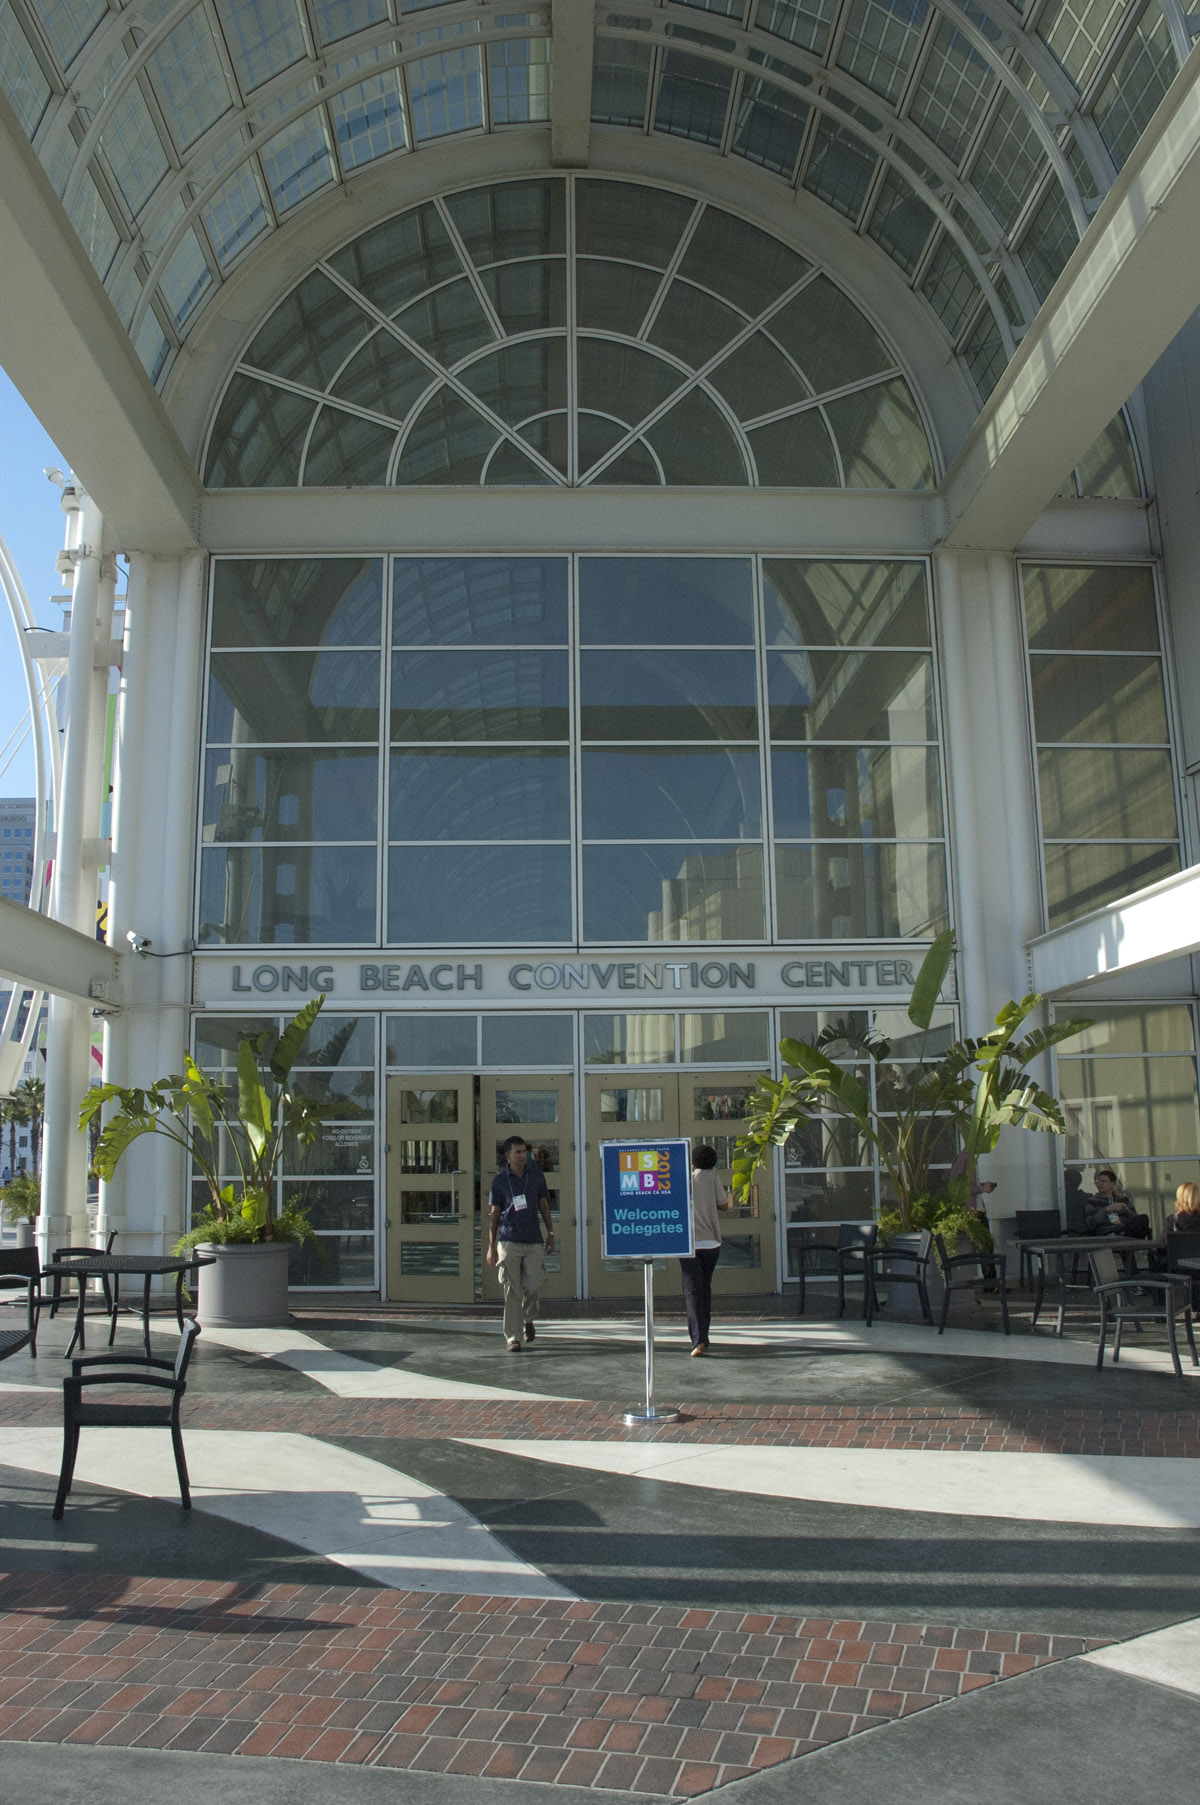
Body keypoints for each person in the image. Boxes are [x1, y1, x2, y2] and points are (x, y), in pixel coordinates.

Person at [486, 1135, 554, 1352]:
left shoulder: (536, 1176)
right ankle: (512, 1337)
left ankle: (528, 1318)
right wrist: (491, 1246)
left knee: (533, 1286)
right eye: (518, 1152)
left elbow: (543, 1205)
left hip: (533, 1240)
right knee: (512, 1290)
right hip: (508, 1241)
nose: (522, 1155)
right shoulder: (499, 1181)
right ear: (508, 1155)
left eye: (524, 1151)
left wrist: (550, 1232)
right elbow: (494, 1215)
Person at [679, 1144, 730, 1358]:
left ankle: (698, 1340)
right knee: (705, 1289)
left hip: (690, 1243)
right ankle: (704, 1337)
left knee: (692, 1290)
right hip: (711, 1243)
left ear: (693, 1161)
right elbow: (724, 1205)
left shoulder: (687, 1180)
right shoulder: (713, 1178)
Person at [1085, 1166, 1151, 1239]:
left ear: (1112, 1184)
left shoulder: (1123, 1200)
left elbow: (1136, 1218)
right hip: (1107, 1234)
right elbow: (1091, 1223)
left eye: (1103, 1181)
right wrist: (1107, 1209)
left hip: (1125, 1231)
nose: (1100, 1184)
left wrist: (1127, 1211)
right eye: (1098, 1181)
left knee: (1144, 1218)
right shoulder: (1092, 1201)